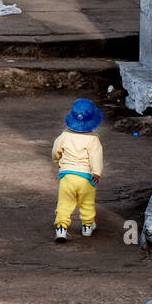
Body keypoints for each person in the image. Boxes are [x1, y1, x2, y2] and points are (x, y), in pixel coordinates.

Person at [52, 98, 103, 241]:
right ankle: (87, 226)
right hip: (86, 177)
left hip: (67, 177)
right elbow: (96, 157)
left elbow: (56, 151)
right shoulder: (94, 139)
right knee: (87, 203)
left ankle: (61, 229)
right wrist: (96, 173)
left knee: (64, 204)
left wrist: (58, 161)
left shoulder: (64, 135)